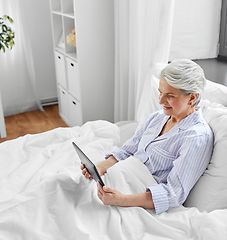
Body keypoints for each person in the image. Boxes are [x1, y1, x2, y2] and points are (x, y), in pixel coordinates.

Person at [81, 59, 214, 214]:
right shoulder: (157, 118)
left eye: (170, 96)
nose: (161, 101)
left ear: (191, 98)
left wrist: (122, 200)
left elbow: (173, 193)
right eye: (160, 93)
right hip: (114, 180)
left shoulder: (195, 137)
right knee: (63, 187)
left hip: (135, 195)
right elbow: (127, 151)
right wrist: (99, 168)